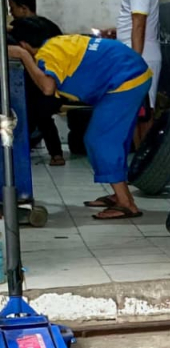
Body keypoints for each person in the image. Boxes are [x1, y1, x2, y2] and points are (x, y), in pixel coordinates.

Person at [8, 17, 151, 220]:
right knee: (113, 140)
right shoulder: (56, 43)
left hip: (125, 80)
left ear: (23, 44)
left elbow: (47, 87)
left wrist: (23, 56)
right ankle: (120, 195)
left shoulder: (46, 54)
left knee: (99, 140)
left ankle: (126, 204)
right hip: (131, 72)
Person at [96, 0, 161, 118]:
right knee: (133, 115)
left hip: (141, 57)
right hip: (137, 54)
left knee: (142, 115)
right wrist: (118, 32)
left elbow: (139, 24)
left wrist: (134, 63)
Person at [6, 0, 65, 166]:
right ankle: (56, 154)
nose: (11, 12)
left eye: (12, 8)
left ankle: (16, 152)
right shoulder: (52, 26)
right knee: (42, 116)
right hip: (57, 86)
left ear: (24, 8)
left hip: (37, 88)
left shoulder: (20, 29)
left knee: (28, 114)